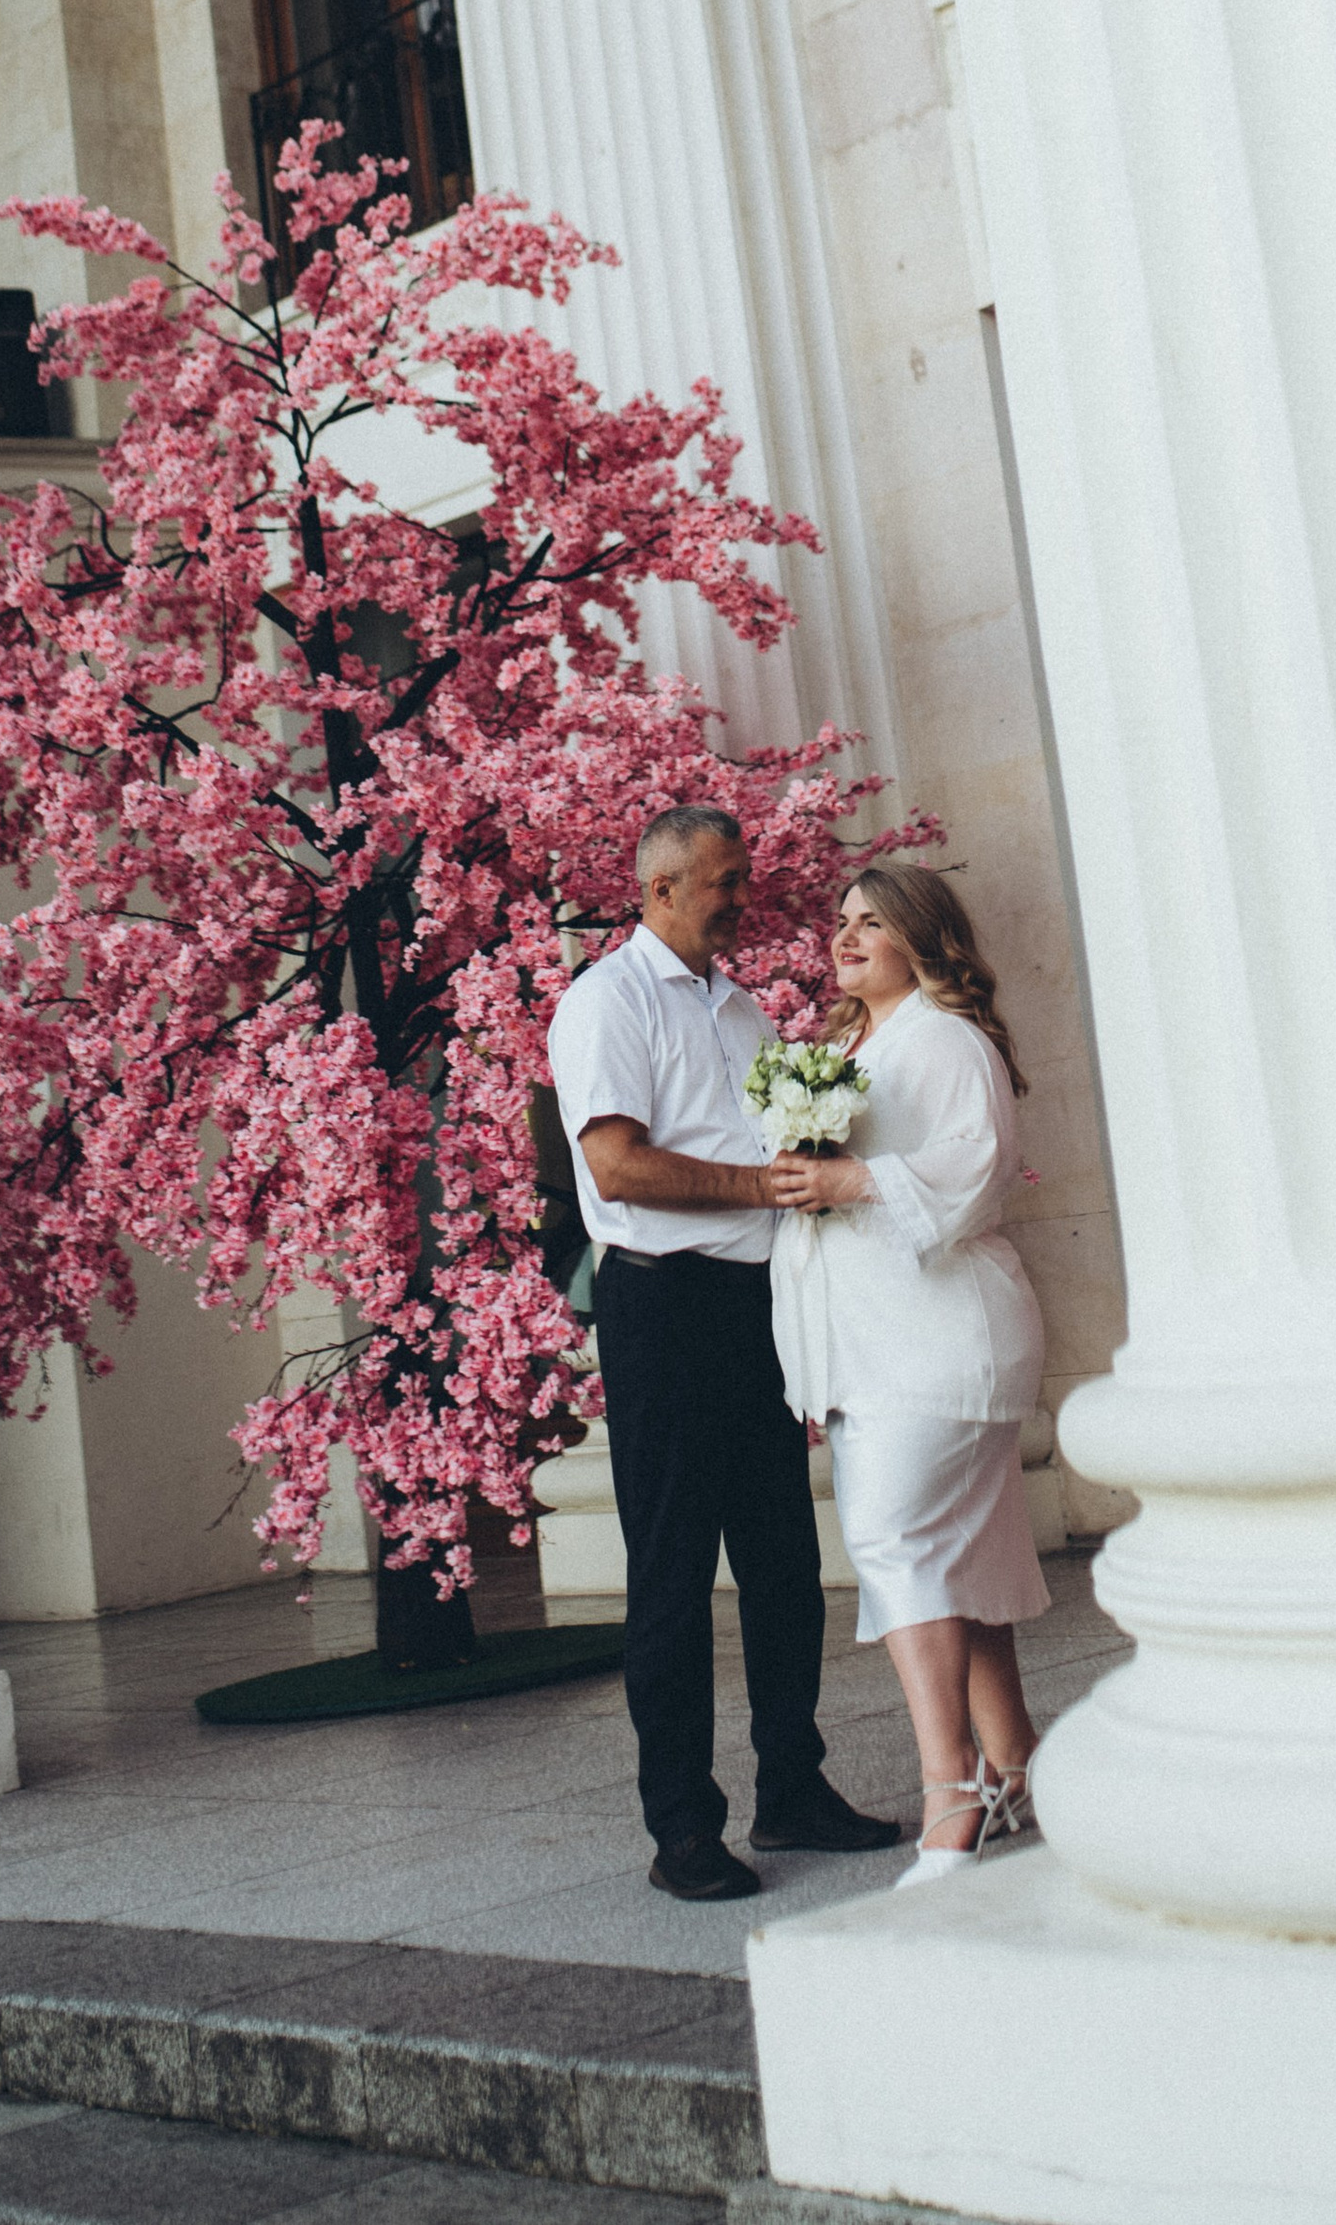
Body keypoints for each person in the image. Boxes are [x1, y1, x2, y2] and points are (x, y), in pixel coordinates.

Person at [546, 802, 902, 1902]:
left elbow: (763, 1144)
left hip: (757, 1309)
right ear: (660, 889)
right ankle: (681, 1829)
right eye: (725, 881)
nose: (744, 896)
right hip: (662, 1308)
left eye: (741, 877)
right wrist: (766, 1184)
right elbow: (617, 1167)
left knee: (785, 1563)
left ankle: (791, 1786)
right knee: (670, 1574)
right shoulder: (602, 1003)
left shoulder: (741, 1010)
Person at [766, 861, 1048, 1885]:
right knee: (952, 1556)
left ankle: (949, 1790)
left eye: (871, 922)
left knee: (893, 1540)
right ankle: (1012, 1763)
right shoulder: (851, 1045)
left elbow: (975, 1165)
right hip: (871, 1337)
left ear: (923, 940)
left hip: (939, 1335)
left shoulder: (948, 1038)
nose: (845, 936)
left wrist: (849, 1175)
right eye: (840, 919)